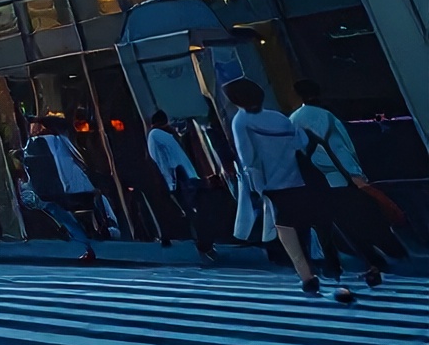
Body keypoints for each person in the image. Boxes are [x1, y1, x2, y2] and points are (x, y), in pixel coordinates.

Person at [225, 77, 356, 304]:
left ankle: (307, 277)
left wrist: (257, 188)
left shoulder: (240, 121)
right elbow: (302, 143)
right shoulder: (278, 117)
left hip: (273, 184)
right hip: (297, 178)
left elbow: (248, 158)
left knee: (286, 229)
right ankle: (327, 269)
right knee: (306, 224)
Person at [291, 79, 403, 285]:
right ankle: (388, 258)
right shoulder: (327, 116)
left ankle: (370, 262)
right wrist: (357, 175)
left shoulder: (294, 119)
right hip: (342, 178)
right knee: (365, 219)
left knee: (344, 227)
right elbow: (343, 147)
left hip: (318, 181)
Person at [18, 115, 101, 262]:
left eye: (34, 125)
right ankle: (87, 243)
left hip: (55, 189)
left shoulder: (40, 142)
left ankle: (84, 243)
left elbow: (35, 165)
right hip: (75, 187)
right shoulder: (64, 140)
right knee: (71, 215)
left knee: (62, 216)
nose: (32, 128)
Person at [144, 111, 213, 260]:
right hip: (180, 178)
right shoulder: (158, 134)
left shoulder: (156, 135)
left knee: (190, 210)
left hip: (177, 178)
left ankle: (200, 242)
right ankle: (202, 243)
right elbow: (168, 158)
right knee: (192, 210)